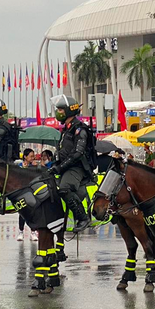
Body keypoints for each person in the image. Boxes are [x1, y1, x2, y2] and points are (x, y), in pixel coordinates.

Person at [48, 95, 97, 233]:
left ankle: (83, 218)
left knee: (65, 189)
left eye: (61, 110)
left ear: (70, 111)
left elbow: (77, 154)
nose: (58, 113)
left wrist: (60, 167)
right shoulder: (66, 129)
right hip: (64, 166)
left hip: (77, 167)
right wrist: (54, 165)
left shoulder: (80, 129)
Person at [17, 148, 39, 242]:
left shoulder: (34, 166)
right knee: (22, 212)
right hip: (22, 191)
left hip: (32, 191)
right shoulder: (19, 166)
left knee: (33, 212)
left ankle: (33, 232)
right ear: (25, 157)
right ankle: (21, 231)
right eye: (31, 156)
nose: (32, 158)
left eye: (33, 156)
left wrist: (36, 167)